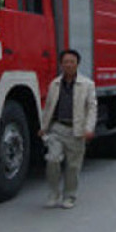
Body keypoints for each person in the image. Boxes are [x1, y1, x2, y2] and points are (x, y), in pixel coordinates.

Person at [39, 49, 97, 210]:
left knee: (73, 167)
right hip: (57, 128)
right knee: (52, 160)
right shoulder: (55, 84)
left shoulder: (87, 85)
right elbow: (48, 107)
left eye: (72, 62)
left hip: (76, 131)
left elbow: (92, 108)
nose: (69, 65)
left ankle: (69, 196)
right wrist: (43, 127)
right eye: (65, 62)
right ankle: (54, 194)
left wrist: (89, 128)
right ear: (61, 64)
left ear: (77, 64)